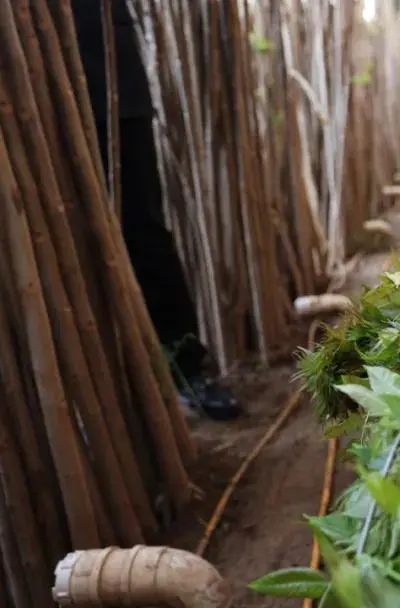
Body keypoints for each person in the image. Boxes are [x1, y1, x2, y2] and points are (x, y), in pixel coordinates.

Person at [73, 1, 240, 421]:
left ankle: (185, 369)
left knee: (143, 228)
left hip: (108, 71)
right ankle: (95, 402)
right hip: (21, 86)